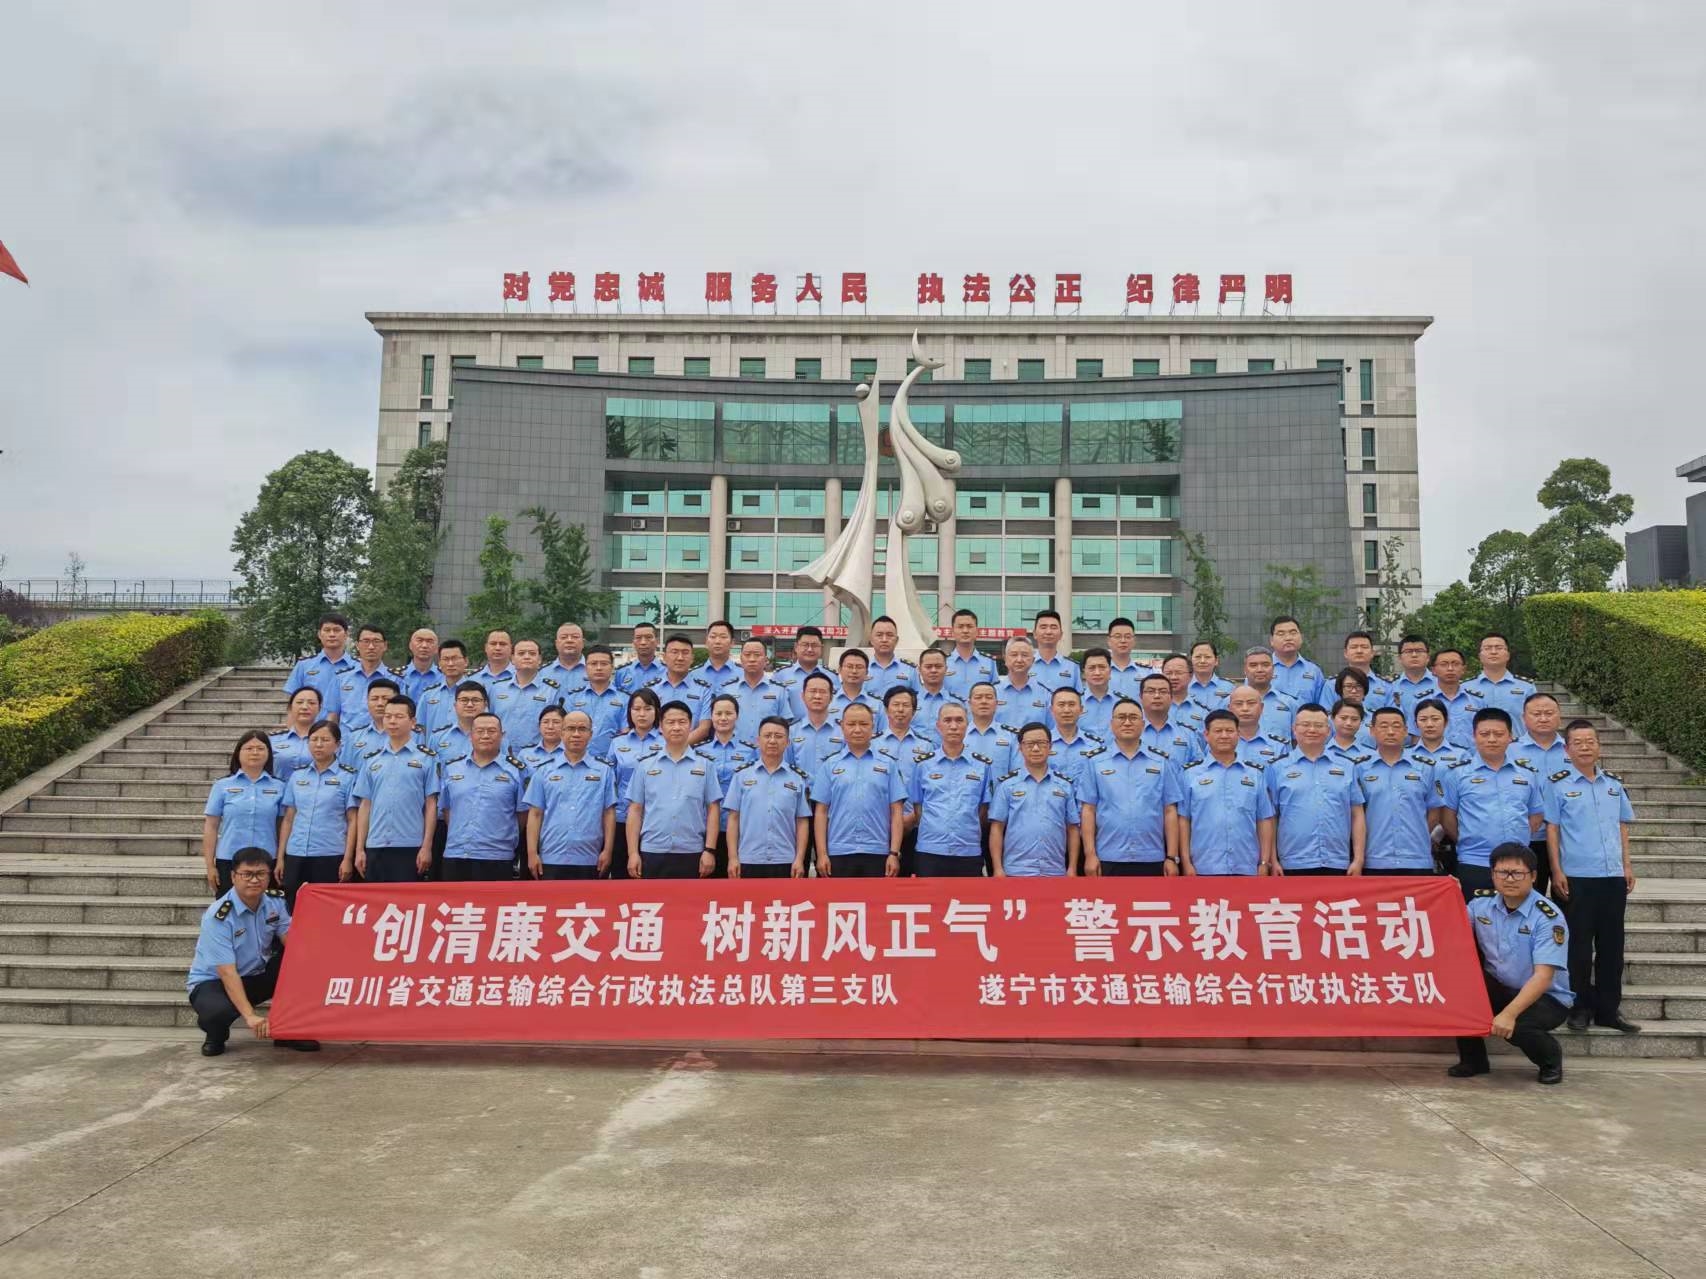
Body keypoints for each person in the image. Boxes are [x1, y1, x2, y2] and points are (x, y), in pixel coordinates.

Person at [1546, 720, 1640, 1035]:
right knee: (1579, 947)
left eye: (1590, 741)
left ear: (1599, 746)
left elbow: (1621, 826)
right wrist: (1557, 870)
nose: (1585, 747)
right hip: (1576, 877)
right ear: (1567, 749)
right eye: (1578, 742)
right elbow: (1553, 829)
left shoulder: (1614, 784)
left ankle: (1609, 1009)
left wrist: (1627, 865)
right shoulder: (1557, 785)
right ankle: (1580, 1006)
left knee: (1612, 945)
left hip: (1612, 876)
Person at [1452, 844, 1571, 1085]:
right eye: (1502, 872)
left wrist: (1508, 1014)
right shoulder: (1480, 904)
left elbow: (1543, 977)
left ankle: (1550, 1060)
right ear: (1492, 874)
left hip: (1546, 997)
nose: (1509, 879)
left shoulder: (1548, 918)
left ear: (1533, 876)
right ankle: (1474, 1060)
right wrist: (1449, 894)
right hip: (1501, 986)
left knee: (1517, 1026)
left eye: (1517, 873)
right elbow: (1451, 926)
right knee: (1459, 989)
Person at [186, 847, 316, 1056]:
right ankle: (215, 1034)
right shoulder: (219, 916)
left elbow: (291, 941)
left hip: (256, 974)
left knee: (302, 963)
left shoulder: (275, 901)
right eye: (247, 874)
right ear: (233, 876)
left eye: (261, 874)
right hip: (214, 982)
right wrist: (250, 1016)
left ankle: (287, 1031)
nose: (254, 880)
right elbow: (227, 972)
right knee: (217, 1012)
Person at [1435, 708, 1544, 898]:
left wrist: (1519, 836)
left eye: (1499, 734)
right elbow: (1447, 817)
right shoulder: (1457, 774)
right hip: (1474, 861)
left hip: (1517, 863)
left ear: (1510, 737)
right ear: (1474, 736)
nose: (1492, 739)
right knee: (1474, 914)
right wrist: (1467, 838)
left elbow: (1535, 815)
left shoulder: (1527, 774)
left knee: (1516, 914)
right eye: (1485, 734)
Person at [1080, 699, 1181, 877]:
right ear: (1111, 724)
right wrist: (1089, 854)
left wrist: (1172, 857)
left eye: (1133, 717)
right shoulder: (1095, 762)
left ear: (1143, 724)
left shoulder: (1160, 762)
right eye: (1121, 717)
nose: (1127, 722)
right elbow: (1088, 810)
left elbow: (1170, 810)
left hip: (1152, 856)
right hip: (1108, 856)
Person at [626, 700, 722, 879]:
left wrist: (710, 850)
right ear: (661, 727)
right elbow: (635, 810)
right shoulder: (645, 766)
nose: (676, 727)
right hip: (652, 850)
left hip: (692, 850)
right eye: (670, 722)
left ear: (690, 725)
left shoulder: (705, 765)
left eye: (682, 722)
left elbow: (713, 809)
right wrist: (633, 853)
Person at [1268, 704, 1367, 876]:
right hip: (1292, 862)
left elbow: (1357, 814)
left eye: (1319, 725)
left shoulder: (1346, 766)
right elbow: (1271, 817)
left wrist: (1358, 859)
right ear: (1294, 729)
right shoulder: (1277, 767)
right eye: (1305, 725)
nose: (1312, 730)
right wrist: (1272, 860)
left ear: (1328, 730)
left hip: (1338, 862)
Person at [811, 702, 903, 878]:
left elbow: (896, 811)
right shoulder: (830, 765)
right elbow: (821, 812)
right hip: (839, 851)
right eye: (851, 724)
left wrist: (894, 853)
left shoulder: (888, 764)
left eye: (863, 724)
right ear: (842, 726)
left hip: (878, 851)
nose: (857, 729)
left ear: (873, 726)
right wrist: (822, 854)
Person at [1179, 710, 1277, 876]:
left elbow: (1264, 820)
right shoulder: (1190, 774)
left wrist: (1264, 862)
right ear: (1206, 735)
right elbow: (1183, 820)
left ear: (1238, 734)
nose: (1224, 735)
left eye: (1229, 731)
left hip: (1247, 865)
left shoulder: (1255, 774)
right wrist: (1186, 862)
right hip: (1203, 866)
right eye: (1218, 731)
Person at [352, 695, 439, 882]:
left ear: (413, 722)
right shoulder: (372, 760)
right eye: (388, 716)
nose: (392, 721)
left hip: (410, 845)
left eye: (399, 716)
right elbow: (365, 805)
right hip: (375, 844)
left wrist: (426, 846)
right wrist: (360, 849)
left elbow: (431, 805)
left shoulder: (426, 759)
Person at [523, 709, 617, 879]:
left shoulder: (604, 771)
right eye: (571, 728)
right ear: (562, 733)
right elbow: (535, 814)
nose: (576, 734)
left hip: (591, 857)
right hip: (550, 856)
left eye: (582, 729)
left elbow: (608, 813)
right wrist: (531, 853)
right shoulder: (544, 771)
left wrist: (608, 851)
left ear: (590, 734)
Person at [276, 719, 358, 907]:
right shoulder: (297, 776)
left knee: (327, 910)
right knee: (293, 908)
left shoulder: (347, 777)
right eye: (314, 739)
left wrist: (348, 859)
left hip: (330, 854)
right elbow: (289, 819)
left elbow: (353, 820)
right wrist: (281, 857)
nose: (318, 745)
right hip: (296, 852)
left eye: (325, 740)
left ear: (338, 745)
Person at [438, 712, 528, 881]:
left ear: (502, 735)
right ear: (470, 736)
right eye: (479, 731)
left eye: (491, 731)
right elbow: (448, 810)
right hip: (456, 853)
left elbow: (522, 814)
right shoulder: (452, 768)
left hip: (497, 856)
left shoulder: (517, 771)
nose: (485, 736)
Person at [908, 702, 992, 877]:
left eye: (959, 720)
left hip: (968, 851)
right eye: (947, 720)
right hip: (930, 850)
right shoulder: (923, 765)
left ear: (967, 724)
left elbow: (982, 811)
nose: (953, 726)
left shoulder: (982, 766)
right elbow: (918, 808)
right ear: (938, 726)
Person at [725, 717, 812, 879]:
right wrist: (732, 858)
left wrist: (800, 859)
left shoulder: (797, 779)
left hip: (786, 859)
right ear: (758, 740)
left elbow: (802, 821)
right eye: (767, 736)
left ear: (787, 742)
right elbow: (733, 818)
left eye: (778, 736)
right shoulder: (741, 776)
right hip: (748, 858)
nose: (772, 741)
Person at [989, 723, 1080, 876]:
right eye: (1029, 744)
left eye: (1041, 743)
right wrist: (997, 868)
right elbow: (997, 828)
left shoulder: (1064, 785)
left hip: (1054, 870)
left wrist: (1072, 868)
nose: (1036, 749)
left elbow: (1072, 828)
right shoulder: (1007, 785)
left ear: (1050, 746)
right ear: (1020, 747)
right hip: (1016, 871)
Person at [1359, 707, 1442, 875]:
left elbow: (1434, 810)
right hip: (1375, 858)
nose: (1390, 731)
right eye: (1383, 726)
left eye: (1396, 726)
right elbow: (1356, 814)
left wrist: (1417, 834)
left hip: (1417, 859)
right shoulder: (1360, 768)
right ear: (1372, 731)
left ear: (1405, 731)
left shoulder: (1425, 767)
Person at [202, 731, 286, 895]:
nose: (255, 752)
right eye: (249, 748)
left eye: (260, 748)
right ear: (238, 753)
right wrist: (210, 865)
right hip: (229, 858)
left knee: (268, 907)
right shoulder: (222, 786)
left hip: (267, 859)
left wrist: (281, 859)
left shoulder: (279, 787)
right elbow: (211, 826)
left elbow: (283, 826)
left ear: (268, 753)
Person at [607, 689, 663, 880]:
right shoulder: (617, 743)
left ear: (657, 711)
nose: (642, 714)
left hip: (655, 819)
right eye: (636, 709)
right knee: (622, 876)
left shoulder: (667, 741)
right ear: (629, 712)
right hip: (622, 817)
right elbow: (611, 782)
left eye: (647, 709)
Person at [699, 693, 755, 875]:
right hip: (706, 828)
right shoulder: (698, 751)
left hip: (740, 827)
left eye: (728, 713)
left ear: (737, 716)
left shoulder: (751, 751)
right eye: (718, 713)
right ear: (711, 716)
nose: (723, 718)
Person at [282, 613, 356, 720]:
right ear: (319, 634)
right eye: (327, 630)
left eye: (336, 630)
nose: (332, 634)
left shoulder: (358, 667)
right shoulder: (304, 666)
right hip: (312, 727)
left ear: (346, 634)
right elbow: (292, 703)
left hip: (347, 728)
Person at [565, 645, 627, 757]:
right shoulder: (573, 699)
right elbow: (565, 732)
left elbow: (626, 733)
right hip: (578, 760)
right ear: (585, 668)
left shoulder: (625, 699)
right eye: (593, 664)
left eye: (604, 664)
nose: (598, 668)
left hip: (613, 760)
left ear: (612, 667)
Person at [724, 638, 789, 742]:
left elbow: (785, 725)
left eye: (757, 655)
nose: (752, 659)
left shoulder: (779, 690)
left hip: (768, 749)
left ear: (766, 660)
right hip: (735, 750)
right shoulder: (727, 690)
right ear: (741, 659)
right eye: (747, 655)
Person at [334, 624, 398, 729]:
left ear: (385, 646)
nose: (371, 647)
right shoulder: (341, 678)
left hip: (382, 737)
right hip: (347, 737)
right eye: (366, 641)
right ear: (357, 645)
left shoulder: (396, 679)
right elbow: (333, 715)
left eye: (376, 641)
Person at [786, 672, 844, 786]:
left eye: (822, 692)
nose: (817, 696)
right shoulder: (791, 732)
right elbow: (787, 768)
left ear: (831, 697)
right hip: (801, 792)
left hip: (833, 792)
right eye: (812, 691)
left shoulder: (843, 731)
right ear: (802, 696)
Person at [1465, 633, 1536, 724]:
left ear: (1508, 655)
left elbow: (1535, 719)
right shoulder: (1464, 688)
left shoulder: (1527, 687)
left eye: (1499, 648)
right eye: (1487, 648)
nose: (1493, 652)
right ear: (1480, 656)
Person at [496, 638, 554, 749]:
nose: (527, 657)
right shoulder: (496, 689)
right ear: (512, 659)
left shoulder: (552, 691)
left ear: (539, 659)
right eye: (521, 653)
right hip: (502, 753)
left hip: (537, 754)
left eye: (532, 653)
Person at [1047, 687, 1105, 791]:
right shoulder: (1042, 744)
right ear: (1051, 710)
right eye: (1061, 705)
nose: (1066, 710)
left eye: (1071, 704)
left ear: (1081, 710)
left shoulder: (1095, 745)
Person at [775, 624, 839, 719]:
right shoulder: (781, 675)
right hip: (791, 727)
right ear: (796, 647)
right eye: (805, 645)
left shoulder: (832, 676)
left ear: (821, 648)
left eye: (814, 645)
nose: (810, 649)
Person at [1138, 673, 1201, 764]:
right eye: (1151, 691)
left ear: (1171, 698)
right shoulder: (1126, 730)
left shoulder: (1187, 734)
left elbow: (1198, 767)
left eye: (1163, 692)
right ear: (1140, 697)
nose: (1157, 696)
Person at [337, 678, 399, 770]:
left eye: (385, 698)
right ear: (367, 702)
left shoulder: (412, 735)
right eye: (374, 699)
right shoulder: (354, 738)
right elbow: (346, 773)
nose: (380, 703)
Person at [994, 636, 1053, 729]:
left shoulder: (1046, 695)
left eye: (1025, 655)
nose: (1019, 660)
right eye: (1014, 655)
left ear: (1033, 660)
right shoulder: (992, 692)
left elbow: (1052, 729)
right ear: (1005, 659)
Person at [1240, 647, 1298, 741]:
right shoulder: (1230, 703)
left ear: (1273, 669)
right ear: (1245, 670)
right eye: (1253, 665)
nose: (1260, 670)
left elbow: (1298, 740)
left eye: (1265, 665)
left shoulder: (1290, 703)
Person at [1426, 649, 1480, 751]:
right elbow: (1416, 737)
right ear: (1433, 670)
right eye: (1444, 664)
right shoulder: (1422, 701)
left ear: (1463, 669)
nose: (1450, 668)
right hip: (1434, 758)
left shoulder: (1477, 700)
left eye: (1455, 664)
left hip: (1470, 757)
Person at [652, 633, 712, 723]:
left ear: (692, 658)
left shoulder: (704, 689)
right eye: (674, 652)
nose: (680, 658)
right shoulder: (652, 688)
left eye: (685, 653)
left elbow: (704, 725)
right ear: (664, 657)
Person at [1227, 685, 1290, 769]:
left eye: (1251, 703)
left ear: (1261, 707)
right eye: (1239, 704)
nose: (1245, 709)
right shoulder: (1218, 743)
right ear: (1229, 708)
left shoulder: (1278, 746)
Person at [415, 639, 469, 737]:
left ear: (466, 661)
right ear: (439, 663)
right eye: (446, 659)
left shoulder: (476, 693)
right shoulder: (428, 695)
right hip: (433, 746)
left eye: (455, 658)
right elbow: (419, 729)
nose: (450, 663)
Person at [1268, 616, 1326, 706]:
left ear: (1301, 638)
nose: (1288, 638)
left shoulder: (1314, 671)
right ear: (1271, 640)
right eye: (1281, 634)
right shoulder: (1260, 669)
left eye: (1293, 633)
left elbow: (1321, 707)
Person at [428, 680, 490, 765]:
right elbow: (431, 770)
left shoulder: (496, 737)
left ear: (485, 705)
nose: (469, 705)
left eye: (475, 700)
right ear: (455, 705)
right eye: (464, 700)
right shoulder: (438, 738)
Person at [269, 687, 322, 785]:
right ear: (290, 708)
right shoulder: (273, 740)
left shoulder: (327, 741)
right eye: (299, 702)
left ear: (319, 708)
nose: (305, 707)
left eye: (311, 703)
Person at [964, 682, 1017, 779]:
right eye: (978, 697)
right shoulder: (959, 735)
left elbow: (1015, 773)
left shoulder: (1010, 736)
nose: (984, 701)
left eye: (989, 697)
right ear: (969, 703)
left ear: (996, 703)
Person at [829, 648, 888, 733]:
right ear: (840, 670)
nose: (854, 671)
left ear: (867, 672)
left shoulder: (878, 704)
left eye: (859, 667)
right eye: (849, 666)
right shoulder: (828, 701)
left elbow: (883, 734)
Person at [913, 647, 963, 745]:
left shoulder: (958, 703)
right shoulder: (910, 702)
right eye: (928, 667)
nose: (933, 670)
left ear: (946, 669)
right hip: (916, 752)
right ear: (919, 669)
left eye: (938, 666)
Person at [944, 607, 997, 698]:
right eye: (960, 627)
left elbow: (996, 692)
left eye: (969, 626)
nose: (965, 631)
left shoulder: (989, 662)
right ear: (952, 632)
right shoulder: (943, 662)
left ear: (977, 631)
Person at [865, 616, 918, 699]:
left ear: (896, 640)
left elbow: (918, 699)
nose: (884, 640)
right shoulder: (861, 668)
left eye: (889, 635)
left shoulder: (910, 670)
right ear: (871, 640)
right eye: (879, 635)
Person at [1390, 633, 1439, 724]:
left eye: (1419, 651)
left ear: (1428, 657)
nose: (1414, 655)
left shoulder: (1440, 684)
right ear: (1400, 658)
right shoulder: (1391, 686)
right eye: (1408, 651)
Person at [1340, 630, 1394, 711]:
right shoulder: (1331, 685)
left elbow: (1393, 715)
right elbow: (1326, 716)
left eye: (1364, 647)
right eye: (1354, 647)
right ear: (1345, 653)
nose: (1359, 651)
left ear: (1372, 653)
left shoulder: (1387, 686)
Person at [1031, 609, 1082, 692]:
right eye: (1043, 627)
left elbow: (1078, 696)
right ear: (1034, 634)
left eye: (1053, 627)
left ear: (1061, 634)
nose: (1048, 632)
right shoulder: (1025, 665)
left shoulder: (1072, 667)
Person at [1412, 698, 1471, 770]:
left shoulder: (1461, 755)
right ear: (1416, 724)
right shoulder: (1405, 754)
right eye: (1423, 719)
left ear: (1446, 722)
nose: (1429, 724)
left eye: (1435, 719)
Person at [615, 621, 665, 695]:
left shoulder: (667, 671)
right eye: (638, 638)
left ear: (657, 641)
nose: (643, 642)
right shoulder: (622, 672)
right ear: (633, 642)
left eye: (648, 637)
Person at [1078, 648, 1118, 738]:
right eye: (1092, 668)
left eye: (1102, 667)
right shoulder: (1074, 702)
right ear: (1084, 673)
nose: (1097, 673)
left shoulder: (1122, 702)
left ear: (1110, 671)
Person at [693, 619, 740, 695]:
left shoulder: (744, 674)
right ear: (706, 642)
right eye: (713, 637)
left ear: (732, 643)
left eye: (723, 637)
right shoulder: (692, 675)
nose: (717, 641)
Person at [1105, 617, 1148, 699]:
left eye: (1128, 637)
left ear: (1134, 640)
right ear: (1109, 640)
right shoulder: (1100, 672)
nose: (1123, 641)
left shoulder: (1147, 673)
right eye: (1117, 637)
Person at [397, 627, 443, 703]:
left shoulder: (445, 677)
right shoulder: (396, 676)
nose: (424, 645)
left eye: (429, 641)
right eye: (419, 640)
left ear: (437, 649)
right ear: (410, 646)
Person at [519, 705, 568, 773]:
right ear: (539, 726)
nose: (550, 727)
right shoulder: (525, 754)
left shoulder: (574, 753)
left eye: (556, 722)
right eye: (545, 722)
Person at [541, 622, 588, 693]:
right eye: (563, 637)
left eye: (575, 637)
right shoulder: (541, 673)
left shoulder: (597, 671)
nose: (569, 640)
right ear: (556, 644)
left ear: (583, 643)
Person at [1186, 640, 1234, 708]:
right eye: (1198, 657)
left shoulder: (1229, 687)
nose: (1202, 661)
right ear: (1191, 660)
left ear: (1216, 661)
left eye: (1207, 657)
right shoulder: (1183, 686)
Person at [471, 628, 516, 695]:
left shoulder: (521, 676)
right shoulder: (472, 679)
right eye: (493, 644)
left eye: (502, 644)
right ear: (486, 647)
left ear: (511, 648)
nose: (497, 648)